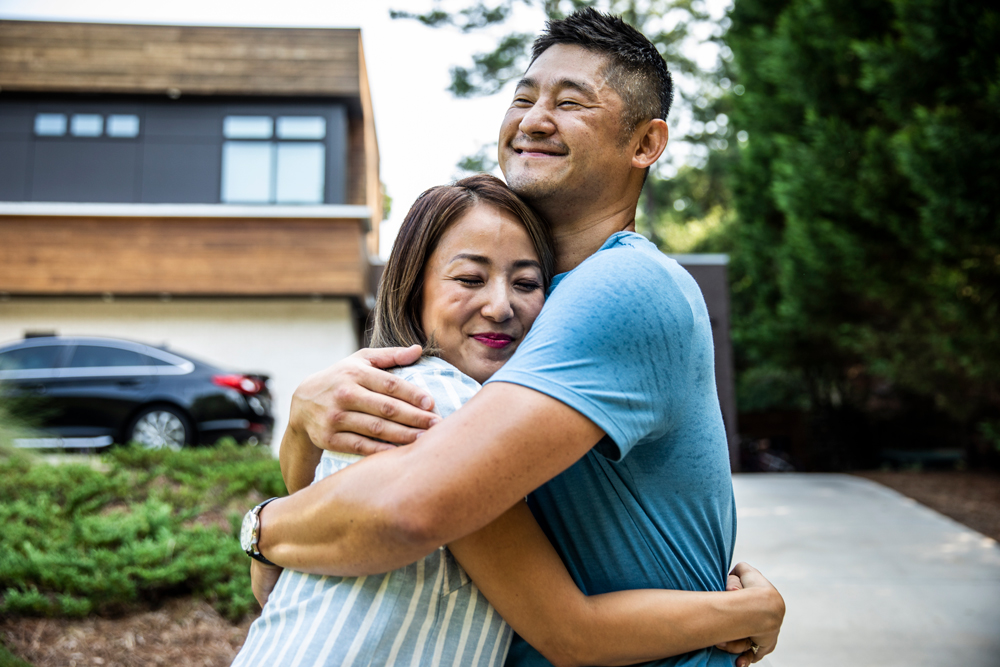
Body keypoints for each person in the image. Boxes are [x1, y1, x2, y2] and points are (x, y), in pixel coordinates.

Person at [248, 9, 783, 666]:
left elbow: (409, 508)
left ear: (645, 144)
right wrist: (303, 422)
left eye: (571, 102)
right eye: (524, 97)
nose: (533, 119)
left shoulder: (620, 286)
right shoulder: (523, 322)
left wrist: (259, 527)